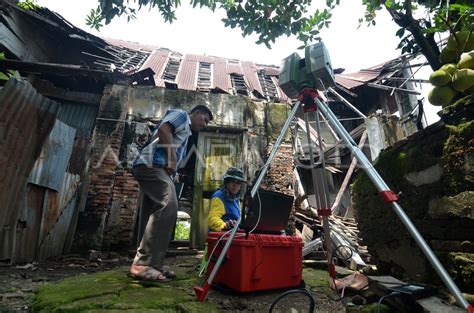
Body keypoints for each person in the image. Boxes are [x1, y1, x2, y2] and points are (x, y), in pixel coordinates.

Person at [129, 104, 213, 282]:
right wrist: (172, 159)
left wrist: (173, 173)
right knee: (169, 203)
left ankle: (151, 264)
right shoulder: (182, 115)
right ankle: (143, 264)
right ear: (195, 113)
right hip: (151, 164)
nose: (204, 124)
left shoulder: (187, 133)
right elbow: (164, 128)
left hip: (153, 167)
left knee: (152, 212)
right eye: (204, 119)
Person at [208, 167, 246, 232]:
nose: (235, 185)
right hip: (222, 238)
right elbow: (213, 219)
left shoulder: (236, 199)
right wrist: (224, 225)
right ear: (226, 182)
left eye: (238, 183)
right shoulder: (219, 196)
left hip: (234, 235)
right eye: (232, 181)